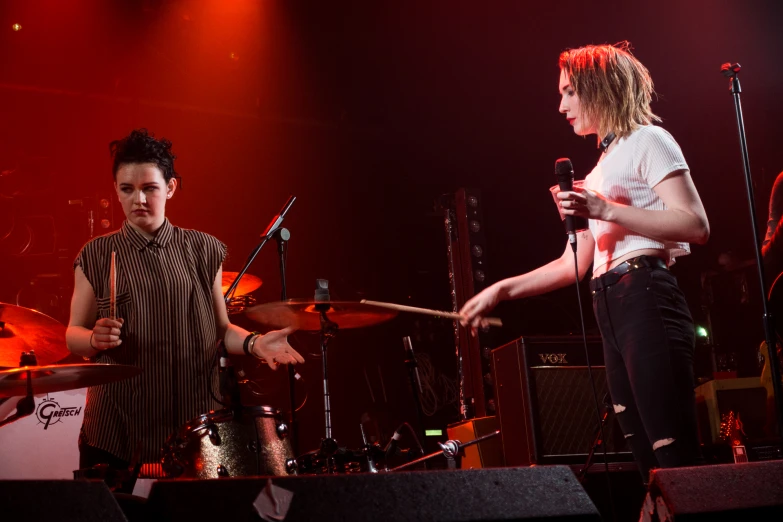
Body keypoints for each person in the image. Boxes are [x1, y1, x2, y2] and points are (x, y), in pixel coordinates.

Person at [460, 42, 710, 482]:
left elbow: (695, 224)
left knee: (675, 459)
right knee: (647, 465)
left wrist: (604, 209)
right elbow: (574, 264)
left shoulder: (649, 139)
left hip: (646, 295)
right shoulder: (599, 170)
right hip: (610, 305)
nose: (562, 106)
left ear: (600, 88)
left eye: (570, 92)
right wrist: (502, 289)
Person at [65, 129, 304, 473]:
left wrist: (256, 343)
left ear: (171, 187)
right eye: (127, 189)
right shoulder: (97, 254)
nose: (139, 200)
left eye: (149, 188)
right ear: (116, 190)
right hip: (117, 430)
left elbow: (221, 328)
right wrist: (91, 338)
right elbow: (72, 332)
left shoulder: (203, 249)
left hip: (194, 428)